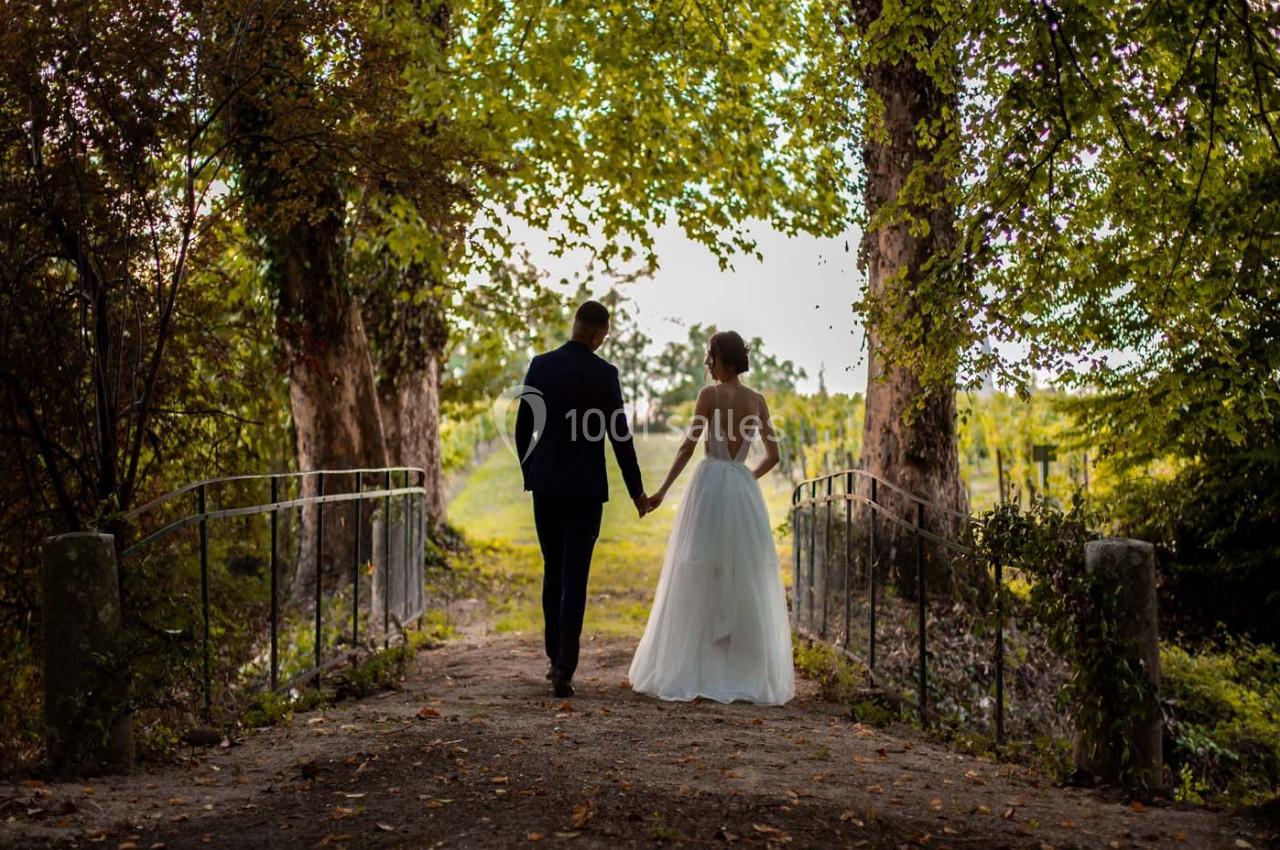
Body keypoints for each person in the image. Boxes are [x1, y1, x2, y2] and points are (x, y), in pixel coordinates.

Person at [627, 330, 795, 705]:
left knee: (698, 567)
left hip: (708, 487)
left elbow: (688, 446)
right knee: (742, 574)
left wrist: (663, 491)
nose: (708, 363)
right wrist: (744, 478)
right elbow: (773, 456)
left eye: (711, 357)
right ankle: (737, 669)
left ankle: (698, 664)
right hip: (741, 490)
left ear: (725, 359)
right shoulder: (757, 400)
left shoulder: (710, 396)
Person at [515, 300, 651, 698]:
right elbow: (620, 437)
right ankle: (564, 669)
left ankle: (553, 655)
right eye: (604, 335)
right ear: (597, 334)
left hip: (547, 484)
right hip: (586, 489)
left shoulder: (540, 365)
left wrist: (530, 473)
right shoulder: (604, 373)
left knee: (552, 570)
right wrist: (636, 491)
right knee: (576, 577)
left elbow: (524, 427)